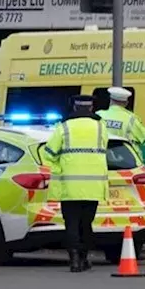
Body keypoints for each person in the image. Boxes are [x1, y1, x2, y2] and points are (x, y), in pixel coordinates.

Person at [41, 94, 108, 273]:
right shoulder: (101, 127)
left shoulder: (64, 127)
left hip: (70, 185)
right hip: (93, 186)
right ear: (91, 108)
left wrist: (59, 167)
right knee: (86, 223)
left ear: (75, 108)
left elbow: (48, 153)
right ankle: (85, 258)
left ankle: (74, 261)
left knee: (71, 223)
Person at [96, 87, 145, 156]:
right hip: (126, 159)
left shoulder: (98, 115)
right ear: (126, 103)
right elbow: (144, 139)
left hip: (102, 156)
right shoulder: (132, 119)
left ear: (110, 100)